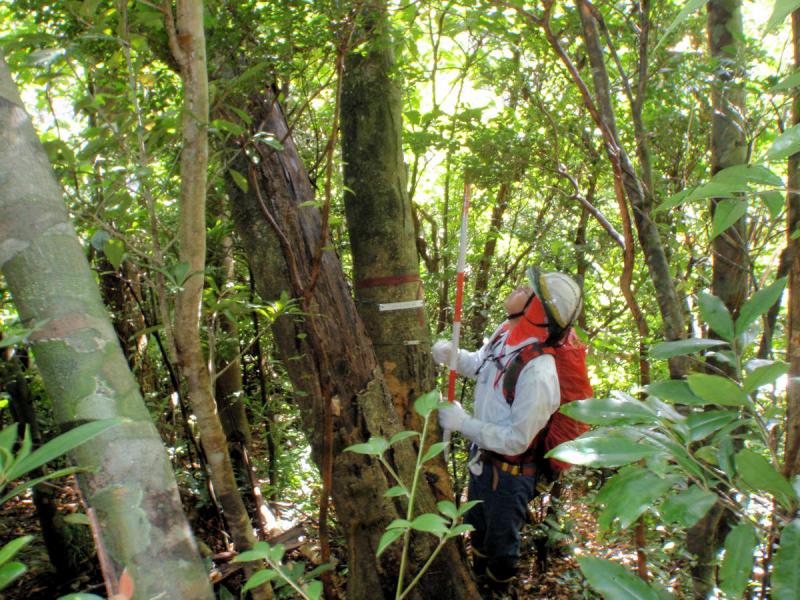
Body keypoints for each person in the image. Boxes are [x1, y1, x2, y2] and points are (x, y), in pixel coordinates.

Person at [433, 266, 583, 594]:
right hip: (482, 461)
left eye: (524, 289)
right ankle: (477, 583)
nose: (516, 288)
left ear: (537, 311)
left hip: (510, 476)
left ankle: (498, 591)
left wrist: (464, 425)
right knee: (477, 530)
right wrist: (454, 357)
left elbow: (517, 440)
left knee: (502, 546)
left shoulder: (540, 374)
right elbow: (482, 365)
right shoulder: (505, 332)